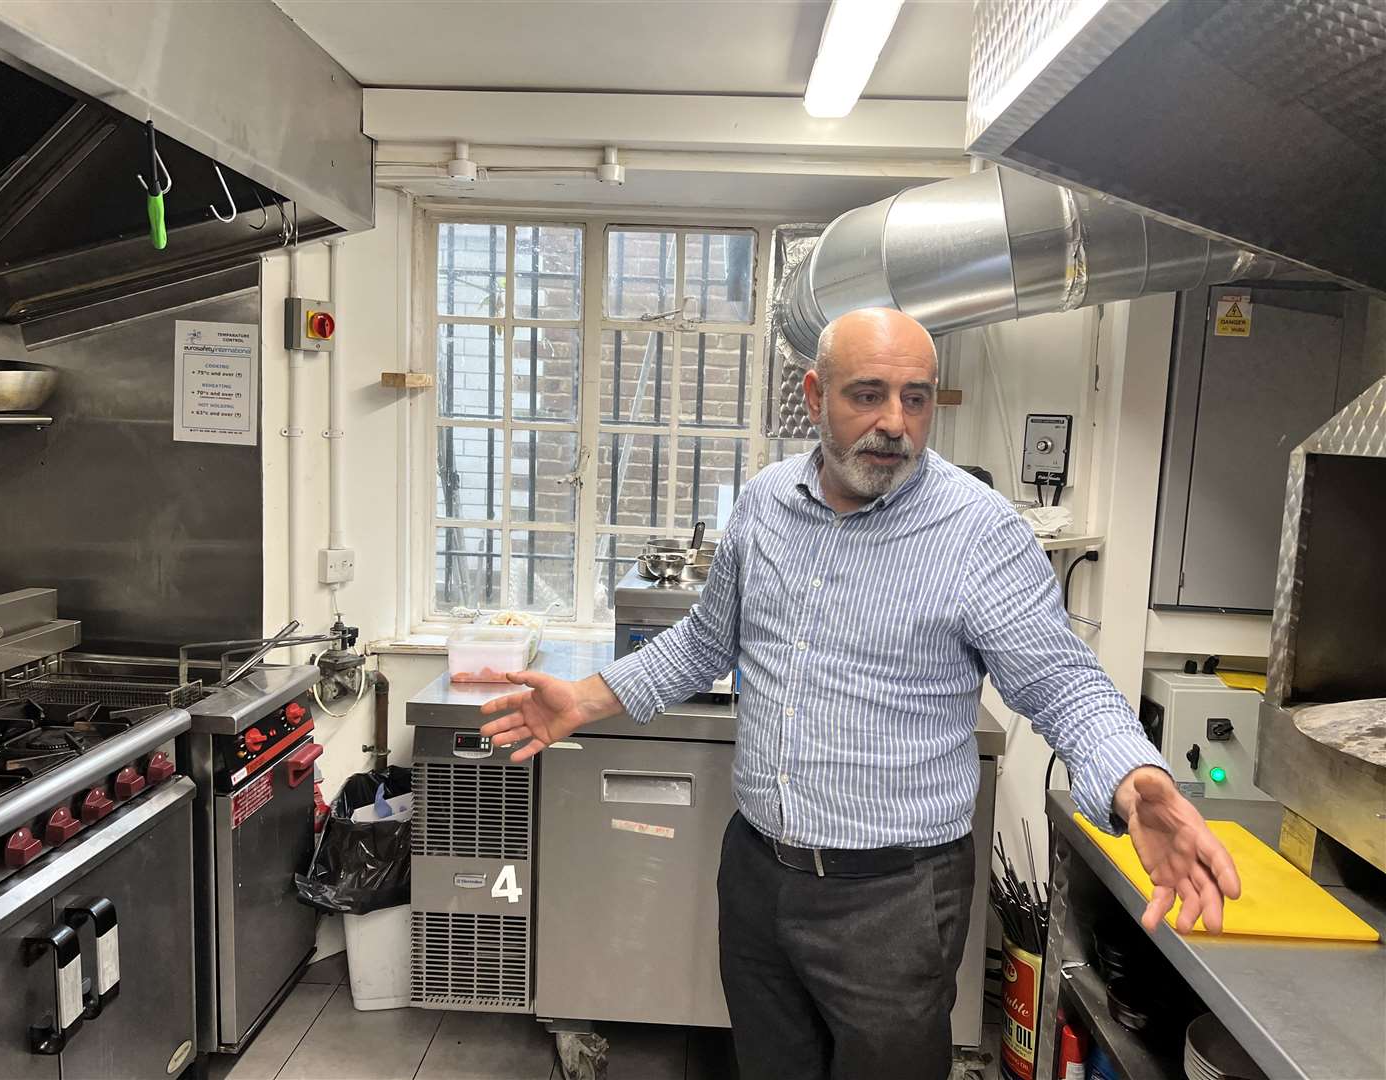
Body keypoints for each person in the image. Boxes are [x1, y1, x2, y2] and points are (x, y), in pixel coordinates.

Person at [479, 307, 1241, 1080]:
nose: (894, 423)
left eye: (916, 398)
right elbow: (707, 641)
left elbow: (1062, 680)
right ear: (814, 396)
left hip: (895, 899)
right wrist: (587, 697)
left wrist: (1134, 778)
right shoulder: (765, 504)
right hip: (758, 873)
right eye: (867, 394)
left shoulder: (978, 532)